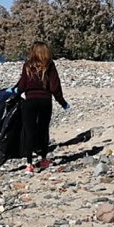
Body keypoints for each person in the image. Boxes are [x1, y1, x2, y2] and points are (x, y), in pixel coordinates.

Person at [17, 41, 69, 174]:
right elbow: (55, 87)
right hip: (45, 101)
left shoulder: (27, 65)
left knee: (29, 131)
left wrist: (12, 93)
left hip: (30, 101)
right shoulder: (50, 66)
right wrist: (62, 102)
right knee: (43, 130)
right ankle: (44, 159)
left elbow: (22, 86)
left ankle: (29, 164)